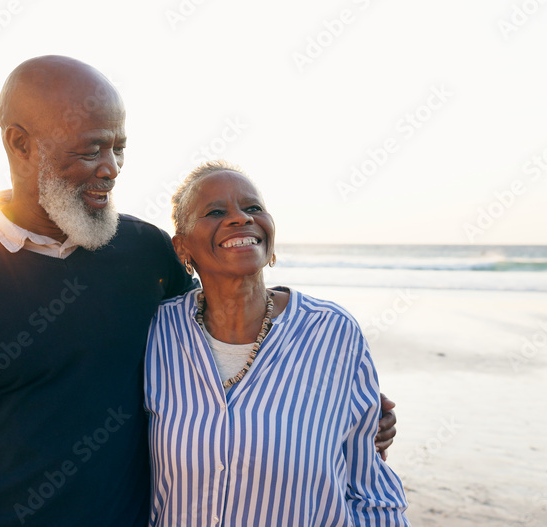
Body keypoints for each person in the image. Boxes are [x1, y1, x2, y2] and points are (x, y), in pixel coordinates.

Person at [0, 56, 397, 526]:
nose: (111, 169)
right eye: (91, 149)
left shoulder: (148, 253)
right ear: (19, 143)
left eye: (119, 148)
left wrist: (337, 408)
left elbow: (219, 333)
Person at [145, 161, 409, 526]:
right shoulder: (156, 333)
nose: (240, 218)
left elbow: (369, 488)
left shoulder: (332, 333)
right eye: (215, 211)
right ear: (182, 248)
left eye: (253, 208)